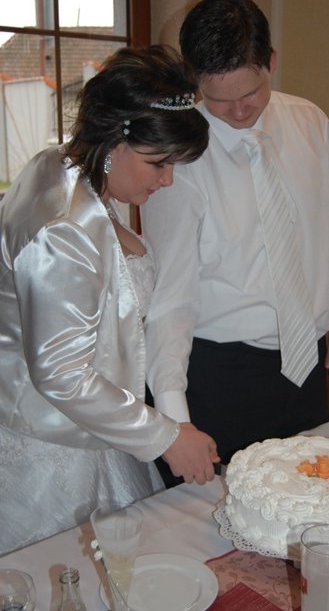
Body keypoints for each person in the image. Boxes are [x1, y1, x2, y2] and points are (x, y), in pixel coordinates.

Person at [0, 44, 219, 555]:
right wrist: (166, 436)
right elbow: (61, 372)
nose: (167, 179)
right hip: (55, 448)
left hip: (93, 425)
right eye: (157, 163)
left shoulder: (65, 168)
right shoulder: (63, 229)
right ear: (114, 141)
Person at [142, 0, 329, 485]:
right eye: (219, 99)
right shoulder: (178, 156)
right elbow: (169, 297)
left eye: (251, 92)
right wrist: (176, 419)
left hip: (306, 362)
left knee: (307, 495)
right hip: (220, 375)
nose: (239, 111)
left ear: (271, 62)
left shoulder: (310, 122)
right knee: (216, 518)